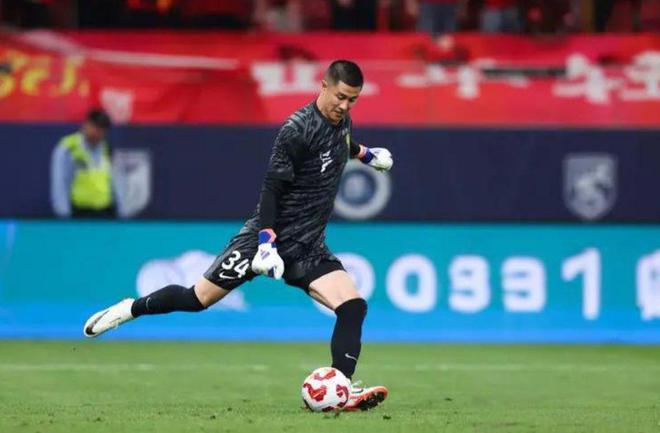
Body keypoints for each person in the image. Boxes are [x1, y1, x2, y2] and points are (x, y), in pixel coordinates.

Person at [83, 60, 393, 411]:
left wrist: (367, 155)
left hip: (308, 247)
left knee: (352, 307)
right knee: (197, 299)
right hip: (265, 239)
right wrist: (265, 243)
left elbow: (340, 142)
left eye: (352, 100)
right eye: (340, 97)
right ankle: (130, 309)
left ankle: (342, 389)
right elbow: (272, 188)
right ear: (324, 86)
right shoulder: (296, 129)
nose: (345, 105)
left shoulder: (341, 121)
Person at [50, 108, 125, 219]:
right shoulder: (68, 147)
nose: (97, 133)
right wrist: (64, 214)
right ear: (85, 125)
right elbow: (60, 182)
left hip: (104, 213)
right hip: (79, 213)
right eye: (95, 127)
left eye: (102, 130)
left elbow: (117, 181)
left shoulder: (107, 148)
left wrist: (121, 212)